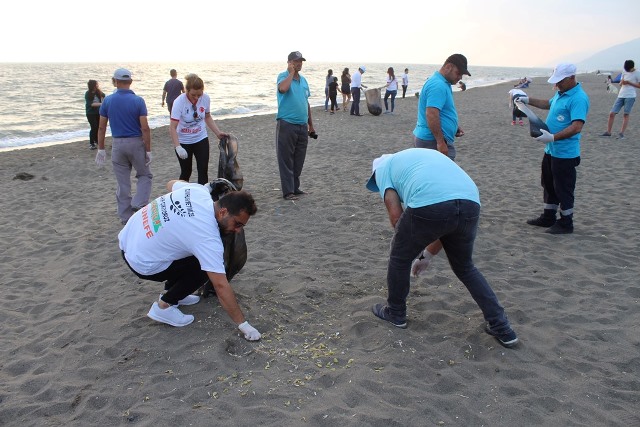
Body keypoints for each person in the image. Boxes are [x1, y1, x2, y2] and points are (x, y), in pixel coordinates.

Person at [365, 148, 518, 348]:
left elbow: (397, 218)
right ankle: (502, 326)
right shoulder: (415, 159)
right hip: (470, 200)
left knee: (399, 257)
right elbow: (446, 223)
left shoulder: (383, 169)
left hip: (431, 200)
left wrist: (410, 245)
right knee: (465, 267)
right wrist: (426, 255)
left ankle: (396, 313)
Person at [118, 179, 261, 340]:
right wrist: (243, 325)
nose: (237, 230)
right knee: (207, 266)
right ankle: (164, 306)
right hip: (142, 262)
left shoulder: (198, 191)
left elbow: (170, 184)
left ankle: (176, 292)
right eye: (237, 224)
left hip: (128, 238)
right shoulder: (207, 236)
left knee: (192, 249)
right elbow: (220, 285)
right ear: (223, 212)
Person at [411, 54, 471, 271]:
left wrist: (453, 127)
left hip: (434, 139)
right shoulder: (438, 84)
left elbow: (442, 112)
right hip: (432, 141)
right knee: (438, 189)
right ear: (448, 66)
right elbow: (431, 113)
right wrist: (440, 141)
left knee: (436, 186)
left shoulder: (442, 83)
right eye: (458, 73)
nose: (459, 78)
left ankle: (429, 224)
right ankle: (429, 226)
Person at [517, 62, 590, 234]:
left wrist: (554, 137)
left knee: (563, 187)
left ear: (572, 77)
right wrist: (528, 100)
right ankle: (548, 216)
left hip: (565, 153)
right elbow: (547, 104)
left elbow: (577, 126)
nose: (557, 85)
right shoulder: (561, 93)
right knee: (548, 183)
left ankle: (566, 222)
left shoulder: (578, 98)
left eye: (560, 81)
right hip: (551, 150)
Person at [95, 68, 153, 225]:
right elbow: (145, 128)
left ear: (115, 81)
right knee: (144, 175)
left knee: (123, 182)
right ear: (130, 82)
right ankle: (139, 203)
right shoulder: (138, 101)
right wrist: (148, 150)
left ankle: (125, 217)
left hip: (118, 144)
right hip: (135, 142)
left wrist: (101, 148)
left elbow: (101, 127)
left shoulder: (108, 101)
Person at [170, 73, 228, 185]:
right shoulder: (179, 102)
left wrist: (217, 133)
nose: (196, 97)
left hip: (200, 138)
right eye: (193, 95)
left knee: (203, 170)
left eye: (199, 94)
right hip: (184, 141)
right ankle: (182, 195)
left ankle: (202, 197)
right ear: (186, 90)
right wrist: (178, 147)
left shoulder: (206, 98)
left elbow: (207, 116)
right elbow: (173, 127)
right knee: (186, 171)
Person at [276, 51, 316, 201]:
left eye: (301, 61)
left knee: (299, 159)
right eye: (296, 61)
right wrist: (291, 73)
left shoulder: (304, 81)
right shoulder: (283, 76)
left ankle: (295, 187)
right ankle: (288, 192)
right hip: (287, 124)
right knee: (286, 159)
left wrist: (311, 125)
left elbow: (306, 103)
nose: (299, 64)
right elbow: (283, 89)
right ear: (289, 62)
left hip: (302, 125)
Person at [602, 60, 640, 139]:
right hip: (621, 94)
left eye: (628, 69)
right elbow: (620, 83)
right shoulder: (624, 71)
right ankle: (608, 132)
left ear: (632, 68)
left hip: (630, 96)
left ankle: (621, 133)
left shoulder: (637, 73)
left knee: (626, 114)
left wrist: (629, 83)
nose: (626, 70)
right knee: (612, 113)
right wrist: (622, 82)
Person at [85, 80, 105, 150]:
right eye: (95, 85)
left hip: (98, 112)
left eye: (97, 85)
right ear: (92, 86)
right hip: (90, 113)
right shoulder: (88, 94)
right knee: (94, 127)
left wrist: (104, 101)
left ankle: (97, 141)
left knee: (99, 127)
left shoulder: (98, 92)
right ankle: (91, 143)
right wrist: (102, 104)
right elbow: (92, 104)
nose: (97, 86)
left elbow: (104, 96)